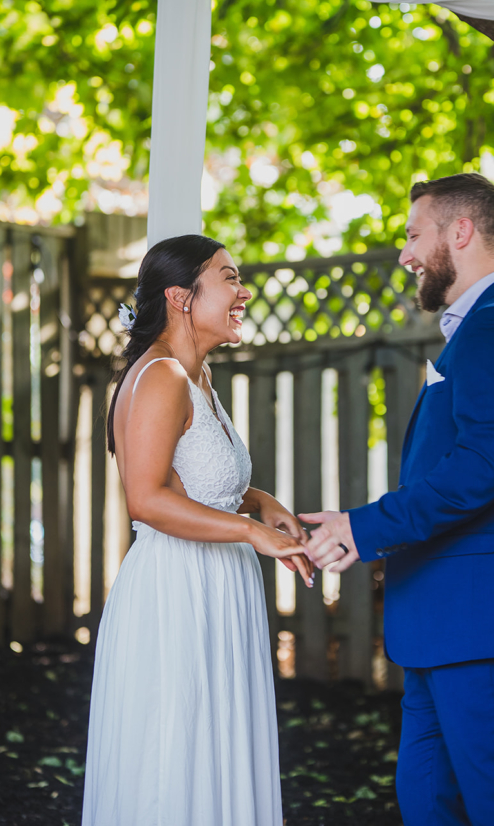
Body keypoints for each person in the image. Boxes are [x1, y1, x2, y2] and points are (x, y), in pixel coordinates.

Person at [301, 173, 494, 826]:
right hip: (448, 623)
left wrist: (362, 527)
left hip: (485, 619)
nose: (404, 253)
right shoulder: (483, 326)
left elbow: (481, 467)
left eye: (412, 234)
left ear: (460, 231)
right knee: (426, 802)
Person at [82, 234, 313, 826]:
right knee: (175, 756)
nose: (244, 290)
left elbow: (193, 481)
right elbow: (148, 500)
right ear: (182, 296)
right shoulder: (159, 375)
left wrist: (259, 504)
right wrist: (251, 533)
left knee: (216, 750)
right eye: (230, 277)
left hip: (218, 587)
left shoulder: (199, 377)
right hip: (176, 592)